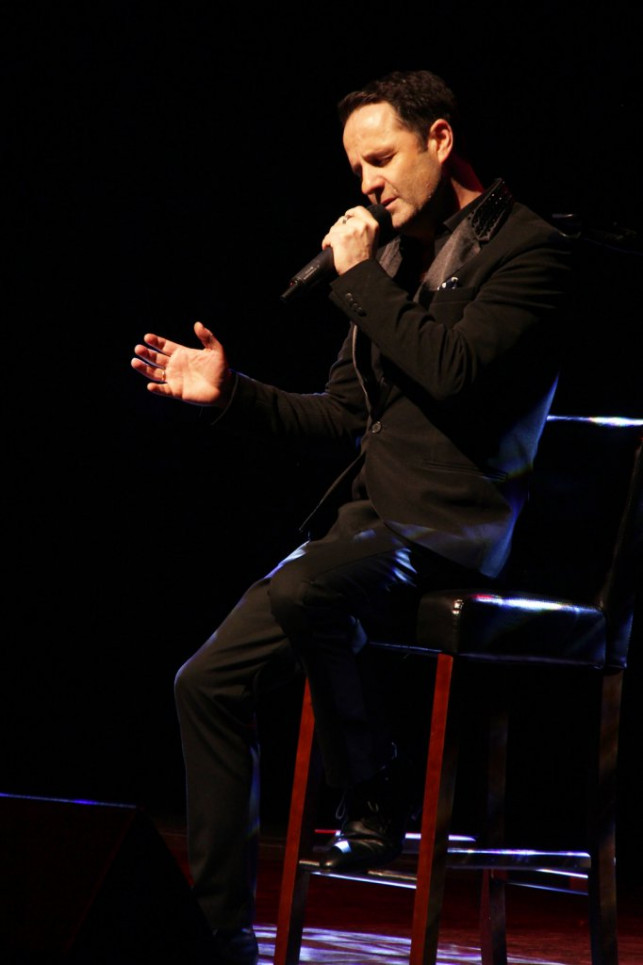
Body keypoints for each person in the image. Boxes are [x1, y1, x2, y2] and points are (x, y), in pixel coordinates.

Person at [131, 69, 572, 965]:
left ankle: (372, 791)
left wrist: (360, 278)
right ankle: (219, 933)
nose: (367, 184)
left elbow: (452, 371)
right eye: (356, 170)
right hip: (369, 530)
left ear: (439, 139)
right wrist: (229, 393)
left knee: (312, 587)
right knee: (204, 682)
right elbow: (342, 414)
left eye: (381, 159)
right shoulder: (396, 259)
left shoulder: (531, 251)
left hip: (450, 524)